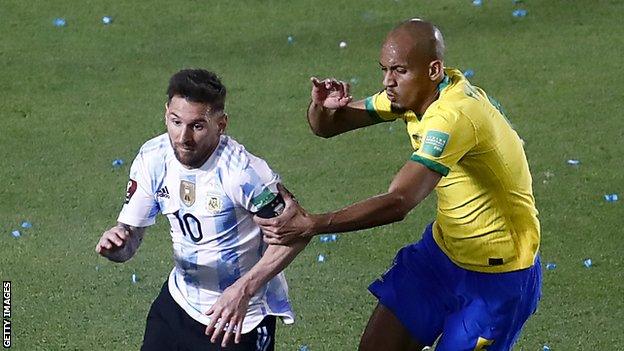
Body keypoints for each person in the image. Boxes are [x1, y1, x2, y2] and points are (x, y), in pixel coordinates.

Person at [256, 19, 541, 351]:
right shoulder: (413, 97)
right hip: (442, 255)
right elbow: (329, 127)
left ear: (433, 70)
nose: (387, 82)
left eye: (399, 71)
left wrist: (312, 224)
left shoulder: (454, 116)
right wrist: (321, 107)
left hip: (497, 279)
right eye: (384, 70)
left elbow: (400, 201)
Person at [95, 68, 308, 351]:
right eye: (175, 122)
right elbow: (129, 242)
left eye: (197, 126)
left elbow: (297, 232)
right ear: (166, 114)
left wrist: (243, 289)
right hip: (179, 304)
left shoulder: (244, 174)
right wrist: (117, 244)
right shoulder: (153, 158)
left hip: (238, 319)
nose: (183, 137)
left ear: (221, 124)